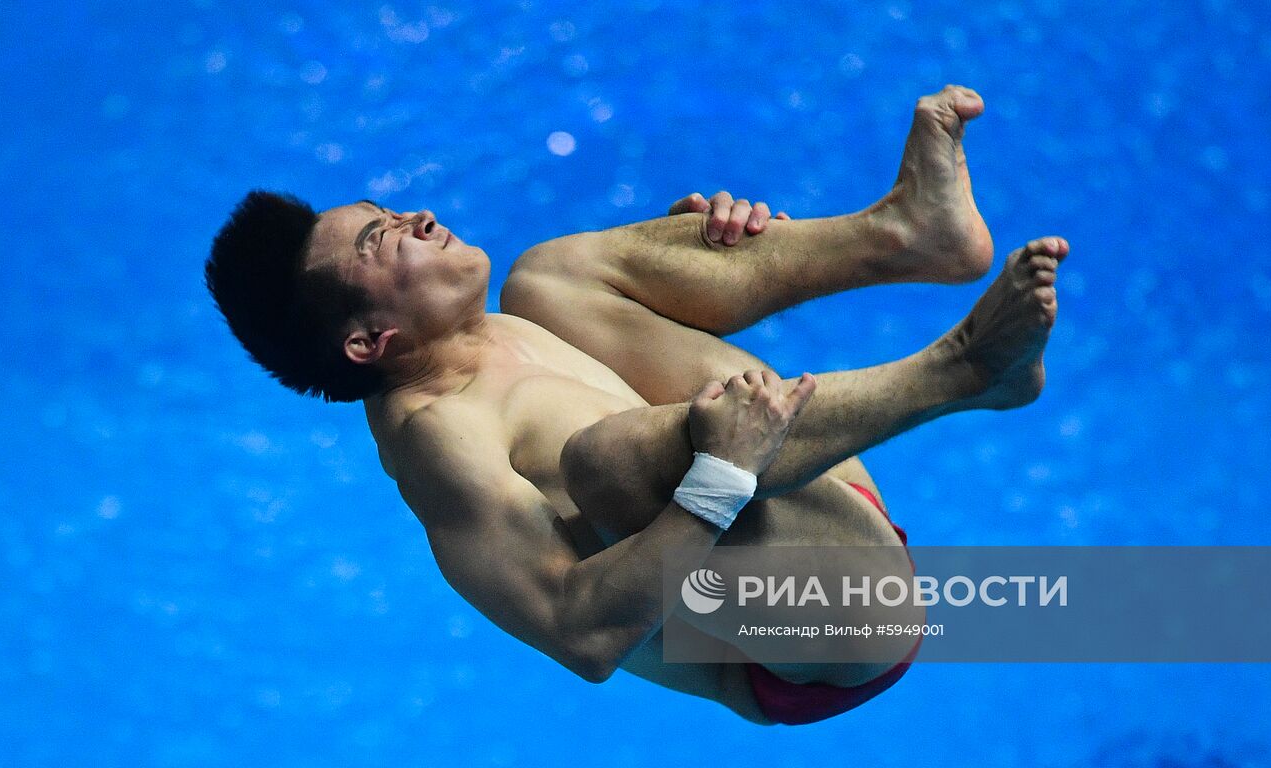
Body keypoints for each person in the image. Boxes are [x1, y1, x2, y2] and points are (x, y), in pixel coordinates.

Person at [205, 85, 1069, 725]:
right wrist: (718, 477)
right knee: (605, 460)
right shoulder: (442, 440)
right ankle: (964, 370)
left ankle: (908, 233)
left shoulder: (512, 320)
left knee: (555, 273)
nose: (418, 217)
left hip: (829, 503)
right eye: (378, 238)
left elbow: (677, 377)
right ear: (367, 342)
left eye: (389, 210)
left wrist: (684, 258)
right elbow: (583, 637)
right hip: (826, 636)